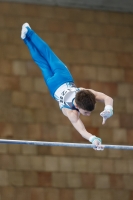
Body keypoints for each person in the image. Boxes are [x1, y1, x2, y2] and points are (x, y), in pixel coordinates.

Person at [21, 23, 113, 150]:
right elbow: (83, 131)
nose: (88, 115)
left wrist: (109, 109)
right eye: (86, 112)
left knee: (47, 55)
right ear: (77, 106)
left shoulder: (86, 92)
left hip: (63, 77)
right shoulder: (71, 113)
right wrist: (93, 139)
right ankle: (26, 38)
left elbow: (108, 99)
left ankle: (29, 34)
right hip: (54, 85)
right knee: (41, 61)